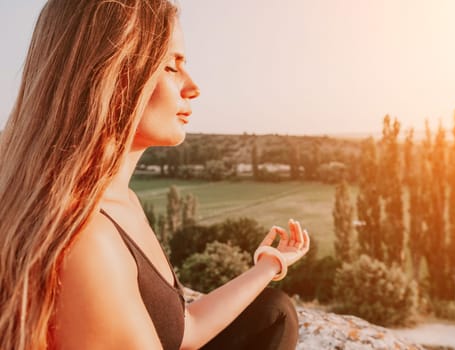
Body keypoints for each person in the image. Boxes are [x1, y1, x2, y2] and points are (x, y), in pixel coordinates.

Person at [0, 0, 311, 349]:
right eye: (171, 66)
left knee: (272, 312)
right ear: (111, 76)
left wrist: (269, 265)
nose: (193, 87)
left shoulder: (121, 201)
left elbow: (184, 329)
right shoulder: (87, 240)